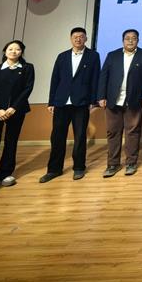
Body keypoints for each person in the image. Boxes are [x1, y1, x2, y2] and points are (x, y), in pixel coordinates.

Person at [40, 27, 100, 183]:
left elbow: (95, 79)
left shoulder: (93, 56)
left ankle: (79, 167)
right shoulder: (62, 56)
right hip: (61, 102)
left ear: (86, 39)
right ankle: (54, 169)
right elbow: (55, 79)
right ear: (71, 39)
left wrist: (93, 101)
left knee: (80, 137)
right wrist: (51, 101)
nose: (78, 39)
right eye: (75, 37)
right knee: (57, 137)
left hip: (81, 103)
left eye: (81, 36)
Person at [0, 40, 35, 198]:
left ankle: (5, 173)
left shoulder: (27, 68)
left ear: (21, 52)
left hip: (16, 111)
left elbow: (27, 89)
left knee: (11, 142)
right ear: (5, 51)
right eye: (10, 49)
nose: (14, 51)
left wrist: (13, 108)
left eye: (18, 49)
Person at [97, 29, 142, 177]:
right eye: (127, 38)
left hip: (135, 100)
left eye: (133, 38)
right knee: (113, 132)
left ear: (138, 40)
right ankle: (112, 164)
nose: (130, 40)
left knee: (133, 132)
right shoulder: (112, 55)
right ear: (123, 40)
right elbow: (104, 77)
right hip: (113, 100)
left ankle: (131, 163)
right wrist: (101, 96)